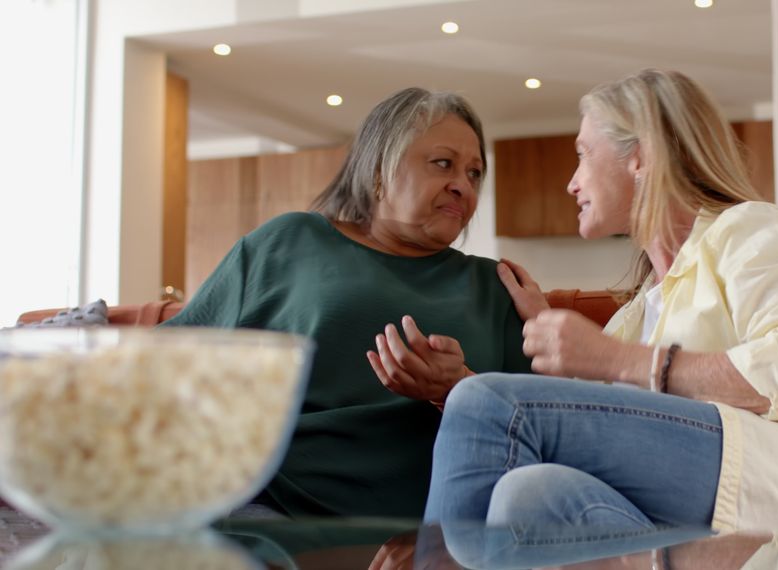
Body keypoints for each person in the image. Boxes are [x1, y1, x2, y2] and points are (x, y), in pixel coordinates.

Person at [421, 69, 778, 541]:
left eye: (583, 153)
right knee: (527, 495)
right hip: (700, 521)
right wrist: (555, 342)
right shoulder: (633, 318)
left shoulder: (753, 230)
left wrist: (613, 359)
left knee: (486, 403)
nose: (571, 182)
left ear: (640, 156)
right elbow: (596, 428)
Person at [163, 87, 532, 519]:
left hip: (427, 525)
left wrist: (458, 387)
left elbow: (538, 428)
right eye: (443, 163)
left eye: (474, 173)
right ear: (378, 171)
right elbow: (167, 359)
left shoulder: (497, 286)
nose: (462, 186)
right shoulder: (289, 242)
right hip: (265, 499)